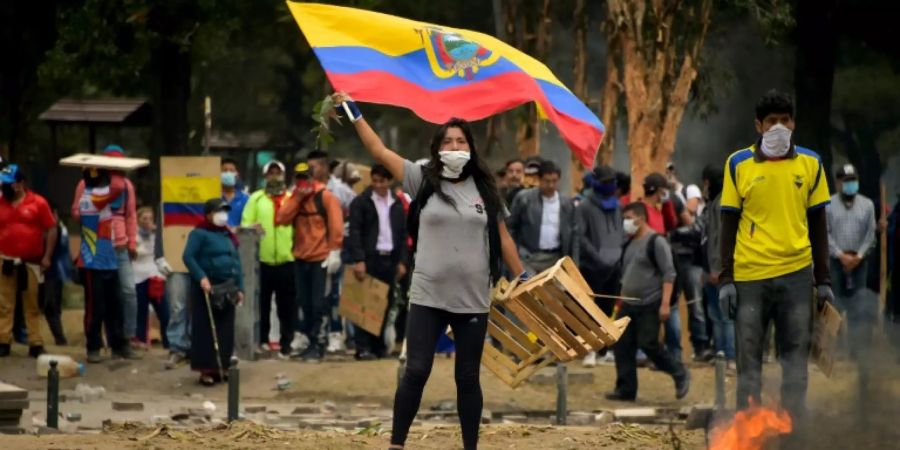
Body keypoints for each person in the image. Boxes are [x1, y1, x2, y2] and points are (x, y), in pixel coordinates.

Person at [332, 92, 526, 450]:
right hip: (428, 294)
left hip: (472, 299)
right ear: (437, 148)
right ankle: (397, 444)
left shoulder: (485, 188)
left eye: (461, 140)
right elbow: (378, 151)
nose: (454, 146)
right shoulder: (420, 179)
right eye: (448, 141)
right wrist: (353, 111)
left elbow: (503, 237)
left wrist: (522, 277)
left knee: (467, 378)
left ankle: (470, 446)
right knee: (416, 371)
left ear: (470, 147)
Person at [719, 89, 833, 423]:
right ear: (759, 125)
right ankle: (748, 431)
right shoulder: (738, 164)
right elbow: (728, 224)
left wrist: (823, 279)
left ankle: (792, 433)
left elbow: (819, 225)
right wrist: (726, 279)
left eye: (785, 120)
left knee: (796, 363)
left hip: (797, 276)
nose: (779, 127)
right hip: (750, 277)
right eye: (772, 121)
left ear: (794, 123)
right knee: (749, 362)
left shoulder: (811, 163)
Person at [606, 202, 690, 401]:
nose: (626, 222)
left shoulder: (656, 242)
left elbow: (669, 273)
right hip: (629, 303)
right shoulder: (629, 242)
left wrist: (665, 304)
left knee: (649, 344)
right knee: (622, 344)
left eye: (629, 217)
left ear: (641, 218)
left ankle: (679, 372)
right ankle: (626, 389)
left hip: (650, 303)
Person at [72, 166, 141, 362]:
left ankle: (118, 345)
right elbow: (118, 187)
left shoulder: (91, 194)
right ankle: (93, 347)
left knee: (115, 305)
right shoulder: (93, 197)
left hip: (108, 259)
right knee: (96, 308)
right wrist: (115, 169)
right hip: (93, 261)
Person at [276, 161, 344, 362]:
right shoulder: (296, 198)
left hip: (320, 259)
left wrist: (335, 252)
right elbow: (281, 218)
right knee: (304, 303)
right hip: (300, 257)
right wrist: (297, 198)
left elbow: (336, 225)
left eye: (306, 177)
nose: (302, 181)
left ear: (312, 177)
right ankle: (308, 341)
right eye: (299, 178)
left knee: (318, 304)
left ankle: (318, 343)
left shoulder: (325, 197)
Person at [346, 164, 408, 359]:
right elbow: (354, 232)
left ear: (390, 182)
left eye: (382, 181)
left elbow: (403, 235)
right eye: (375, 181)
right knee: (364, 302)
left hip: (390, 258)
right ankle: (362, 347)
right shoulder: (361, 202)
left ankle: (378, 346)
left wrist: (403, 261)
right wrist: (359, 259)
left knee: (385, 303)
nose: (378, 185)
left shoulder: (397, 204)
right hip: (369, 258)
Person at [183, 199, 244, 386]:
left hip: (228, 286)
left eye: (225, 211)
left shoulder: (227, 235)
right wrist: (201, 276)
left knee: (225, 328)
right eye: (219, 211)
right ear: (209, 214)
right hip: (207, 285)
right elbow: (188, 256)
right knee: (206, 329)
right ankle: (206, 370)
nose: (223, 215)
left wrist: (240, 287)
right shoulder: (199, 233)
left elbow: (236, 262)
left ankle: (223, 366)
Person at [84, 145, 140, 348]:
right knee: (100, 300)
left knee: (127, 293)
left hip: (121, 245)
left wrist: (132, 241)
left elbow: (131, 215)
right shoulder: (87, 185)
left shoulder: (126, 186)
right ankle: (99, 341)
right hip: (98, 247)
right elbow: (77, 212)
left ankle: (128, 336)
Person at [0, 164, 57, 357]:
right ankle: (3, 340)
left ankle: (35, 342)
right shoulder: (1, 202)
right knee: (4, 303)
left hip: (31, 261)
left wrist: (47, 256)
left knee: (32, 303)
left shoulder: (38, 203)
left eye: (9, 184)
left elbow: (51, 228)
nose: (4, 187)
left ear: (20, 183)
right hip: (5, 260)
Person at [241, 160, 295, 359]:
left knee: (286, 305)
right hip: (261, 261)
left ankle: (286, 343)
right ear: (265, 177)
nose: (274, 177)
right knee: (261, 304)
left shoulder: (292, 199)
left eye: (277, 173)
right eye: (270, 174)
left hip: (287, 259)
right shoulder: (256, 198)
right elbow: (245, 224)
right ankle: (262, 340)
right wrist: (252, 226)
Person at [576, 165, 625, 367]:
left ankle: (605, 350)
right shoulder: (585, 206)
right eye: (606, 182)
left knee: (607, 310)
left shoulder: (618, 206)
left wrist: (618, 256)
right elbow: (581, 236)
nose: (610, 185)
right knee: (590, 310)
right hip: (592, 267)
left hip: (614, 266)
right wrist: (597, 258)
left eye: (612, 181)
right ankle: (589, 350)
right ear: (596, 183)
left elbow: (621, 232)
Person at [826, 164, 876, 356]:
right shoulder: (828, 205)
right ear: (838, 183)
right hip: (836, 260)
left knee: (859, 304)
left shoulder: (867, 205)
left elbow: (870, 235)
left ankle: (857, 350)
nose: (850, 185)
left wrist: (859, 256)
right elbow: (825, 234)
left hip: (859, 260)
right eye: (846, 182)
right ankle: (836, 350)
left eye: (853, 181)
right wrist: (840, 255)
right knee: (836, 304)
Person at [508, 160, 578, 275]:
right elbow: (511, 227)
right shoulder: (524, 199)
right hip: (528, 257)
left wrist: (573, 262)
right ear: (539, 180)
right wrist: (515, 253)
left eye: (554, 181)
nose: (551, 185)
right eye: (547, 181)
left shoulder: (566, 203)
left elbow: (575, 234)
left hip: (555, 258)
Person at [700, 165, 735, 369]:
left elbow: (721, 238)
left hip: (721, 270)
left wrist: (718, 269)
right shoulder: (713, 201)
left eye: (705, 183)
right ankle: (721, 352)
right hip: (711, 269)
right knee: (715, 314)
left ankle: (730, 357)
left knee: (726, 316)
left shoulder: (722, 201)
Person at [133, 207, 170, 348]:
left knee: (164, 312)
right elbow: (134, 254)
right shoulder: (133, 235)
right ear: (138, 220)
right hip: (138, 278)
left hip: (155, 278)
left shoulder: (156, 235)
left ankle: (168, 342)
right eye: (144, 218)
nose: (148, 222)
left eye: (150, 218)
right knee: (141, 313)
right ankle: (141, 342)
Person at [220, 157, 249, 229]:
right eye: (224, 170)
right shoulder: (214, 198)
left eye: (231, 170)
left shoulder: (246, 199)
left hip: (237, 239)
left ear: (237, 175)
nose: (228, 173)